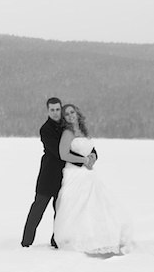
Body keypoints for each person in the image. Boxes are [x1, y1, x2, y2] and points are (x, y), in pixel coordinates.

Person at [53, 104, 133, 256]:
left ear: (77, 113)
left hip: (89, 174)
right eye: (66, 114)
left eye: (72, 112)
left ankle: (97, 236)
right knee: (77, 206)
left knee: (95, 205)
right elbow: (63, 154)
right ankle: (75, 239)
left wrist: (92, 158)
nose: (70, 115)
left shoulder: (83, 131)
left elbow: (91, 149)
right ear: (64, 118)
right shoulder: (67, 133)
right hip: (74, 173)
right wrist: (83, 160)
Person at [21, 98, 95, 247]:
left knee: (61, 211)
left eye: (57, 109)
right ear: (48, 111)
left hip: (66, 176)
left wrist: (92, 156)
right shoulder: (45, 129)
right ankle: (26, 242)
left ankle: (56, 241)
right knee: (38, 208)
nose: (55, 113)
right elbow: (59, 152)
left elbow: (82, 146)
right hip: (49, 174)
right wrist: (84, 161)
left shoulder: (67, 126)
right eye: (52, 110)